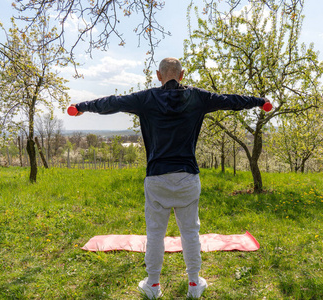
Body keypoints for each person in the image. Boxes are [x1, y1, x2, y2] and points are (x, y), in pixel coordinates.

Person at [71, 57, 270, 299]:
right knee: (190, 233)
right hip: (187, 177)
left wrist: (82, 106)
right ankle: (194, 285)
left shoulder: (146, 99)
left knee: (155, 233)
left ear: (158, 75)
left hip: (157, 178)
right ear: (182, 75)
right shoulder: (198, 97)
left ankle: (153, 286)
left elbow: (113, 102)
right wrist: (260, 102)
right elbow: (230, 100)